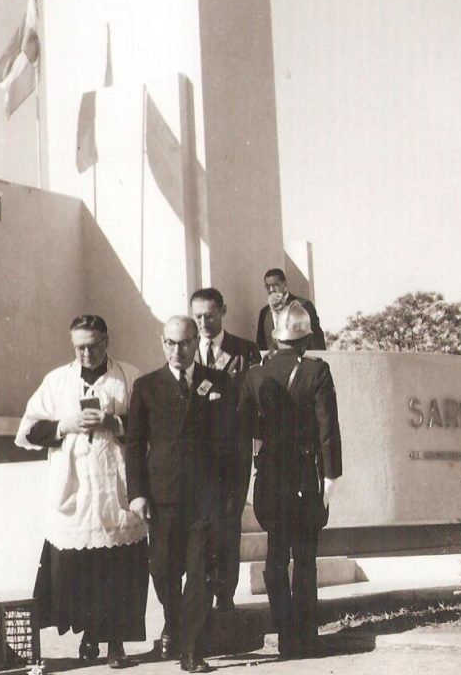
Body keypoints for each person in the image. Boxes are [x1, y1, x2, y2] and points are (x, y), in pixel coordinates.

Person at [15, 315, 148, 669]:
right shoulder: (58, 381)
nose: (86, 353)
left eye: (93, 345)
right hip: (74, 488)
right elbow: (27, 431)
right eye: (79, 347)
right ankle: (90, 634)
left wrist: (114, 422)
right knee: (83, 568)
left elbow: (149, 427)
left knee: (117, 565)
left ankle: (116, 643)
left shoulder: (128, 376)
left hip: (114, 484)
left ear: (107, 341)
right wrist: (64, 424)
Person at [126, 316, 237, 674]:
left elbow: (230, 442)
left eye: (184, 342)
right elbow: (134, 445)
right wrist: (137, 494)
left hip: (205, 497)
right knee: (162, 570)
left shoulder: (218, 382)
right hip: (163, 496)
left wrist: (230, 493)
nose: (177, 350)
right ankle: (173, 622)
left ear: (195, 342)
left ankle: (191, 649)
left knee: (200, 569)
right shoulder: (146, 386)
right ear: (162, 343)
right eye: (170, 343)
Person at [239, 302, 342, 659]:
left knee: (276, 555)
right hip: (302, 474)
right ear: (306, 338)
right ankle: (306, 635)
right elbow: (328, 428)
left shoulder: (254, 374)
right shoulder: (317, 371)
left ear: (275, 337)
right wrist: (331, 475)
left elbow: (246, 427)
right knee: (305, 555)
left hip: (268, 475)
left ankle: (284, 633)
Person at [190, 287, 260, 611]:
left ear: (223, 311)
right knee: (201, 523)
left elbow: (255, 399)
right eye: (198, 316)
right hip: (199, 453)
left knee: (229, 522)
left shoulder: (245, 351)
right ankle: (201, 594)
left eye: (209, 315)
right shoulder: (188, 350)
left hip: (234, 451)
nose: (203, 322)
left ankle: (225, 595)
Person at [256, 267, 326, 351]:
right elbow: (261, 345)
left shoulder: (304, 306)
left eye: (275, 285)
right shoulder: (264, 313)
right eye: (268, 286)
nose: (271, 290)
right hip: (274, 363)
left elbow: (316, 340)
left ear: (284, 284)